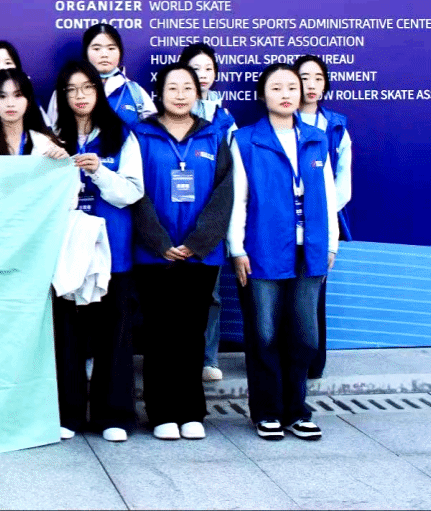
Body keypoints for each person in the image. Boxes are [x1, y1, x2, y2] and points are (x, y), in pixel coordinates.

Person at [229, 63, 339, 441]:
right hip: (263, 248)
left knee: (306, 336)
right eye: (276, 88)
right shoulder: (246, 140)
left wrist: (331, 243)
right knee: (264, 334)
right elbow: (237, 199)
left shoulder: (316, 138)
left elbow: (328, 194)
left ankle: (297, 412)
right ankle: (267, 412)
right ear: (263, 95)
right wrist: (236, 247)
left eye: (292, 86)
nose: (286, 94)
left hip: (310, 249)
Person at [130, 63, 234, 441]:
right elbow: (134, 191)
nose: (179, 94)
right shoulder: (139, 134)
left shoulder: (213, 135)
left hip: (200, 255)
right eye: (172, 87)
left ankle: (191, 410)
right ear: (159, 93)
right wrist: (159, 242)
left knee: (191, 333)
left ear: (198, 93)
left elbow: (225, 193)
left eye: (187, 87)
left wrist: (199, 241)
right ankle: (161, 413)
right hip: (154, 253)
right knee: (159, 333)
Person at [52, 61, 144, 443]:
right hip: (66, 250)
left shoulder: (121, 135)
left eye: (87, 87)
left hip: (112, 249)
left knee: (114, 335)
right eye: (71, 89)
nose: (80, 96)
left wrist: (99, 173)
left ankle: (114, 416)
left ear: (99, 91)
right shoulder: (52, 136)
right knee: (67, 336)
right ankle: (68, 414)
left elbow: (133, 192)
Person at [179, 42, 237, 383]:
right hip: (172, 218)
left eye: (208, 69)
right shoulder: (165, 113)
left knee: (210, 294)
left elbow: (232, 173)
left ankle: (208, 358)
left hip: (211, 217)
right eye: (195, 68)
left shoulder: (224, 119)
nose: (202, 75)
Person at [294, 54, 352, 380]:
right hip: (285, 225)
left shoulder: (336, 127)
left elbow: (342, 185)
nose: (311, 85)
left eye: (318, 78)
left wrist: (321, 215)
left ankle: (313, 363)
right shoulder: (281, 122)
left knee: (314, 292)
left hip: (321, 223)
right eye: (304, 77)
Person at [48, 24, 155, 129]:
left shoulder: (135, 91)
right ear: (86, 52)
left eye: (111, 48)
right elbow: (53, 133)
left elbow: (151, 133)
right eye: (96, 49)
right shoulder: (67, 90)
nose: (104, 54)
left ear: (120, 52)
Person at [0, 69, 68, 159]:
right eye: (2, 96)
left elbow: (62, 178)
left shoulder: (46, 144)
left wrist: (63, 162)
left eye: (18, 95)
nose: (10, 104)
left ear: (28, 100)